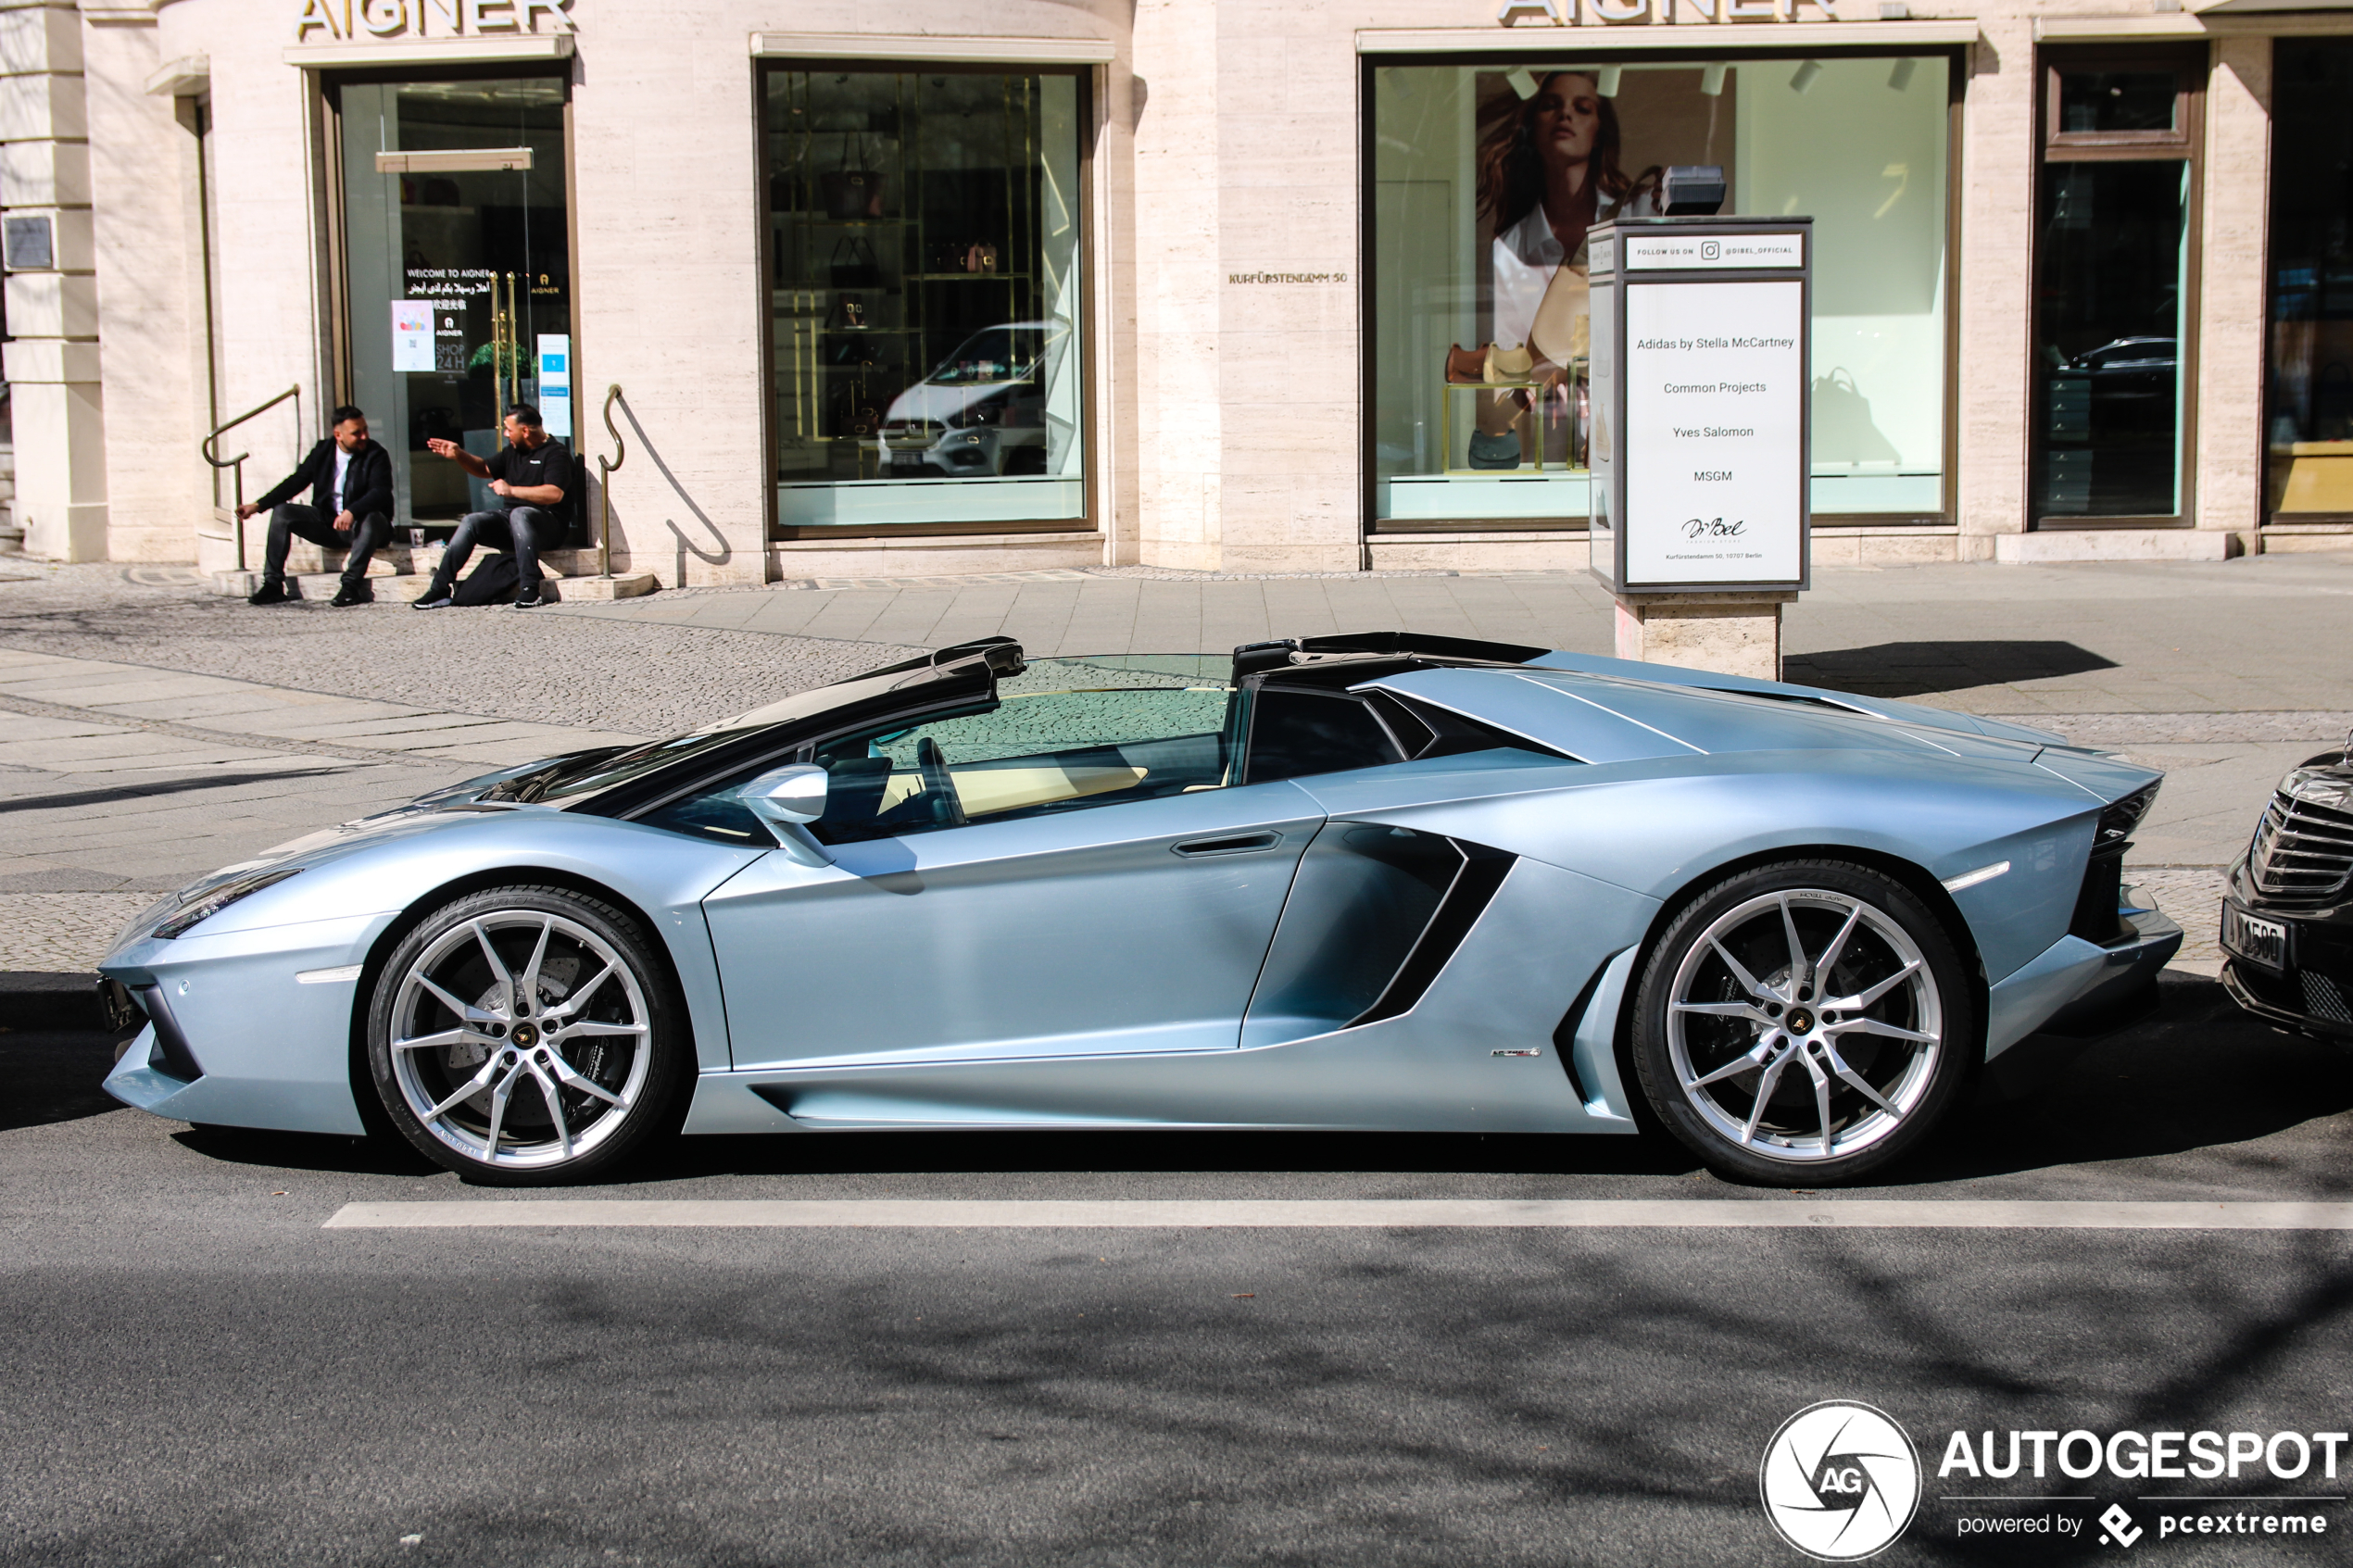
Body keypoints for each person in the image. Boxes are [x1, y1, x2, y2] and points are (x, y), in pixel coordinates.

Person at [413, 404, 575, 610]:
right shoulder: (513, 451)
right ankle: (440, 589)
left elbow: (554, 493)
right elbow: (484, 468)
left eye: (509, 429)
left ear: (525, 431)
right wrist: (459, 455)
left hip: (547, 525)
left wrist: (512, 490)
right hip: (513, 522)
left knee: (520, 514)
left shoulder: (556, 454)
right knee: (473, 521)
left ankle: (530, 588)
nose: (506, 433)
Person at [239, 406, 394, 607]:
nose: (364, 436)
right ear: (338, 434)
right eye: (357, 433)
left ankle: (351, 585)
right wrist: (258, 505)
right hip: (329, 524)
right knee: (283, 512)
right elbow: (296, 481)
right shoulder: (323, 451)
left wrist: (352, 511)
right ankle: (273, 584)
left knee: (372, 517)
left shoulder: (376, 454)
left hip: (364, 528)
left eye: (365, 430)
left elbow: (380, 491)